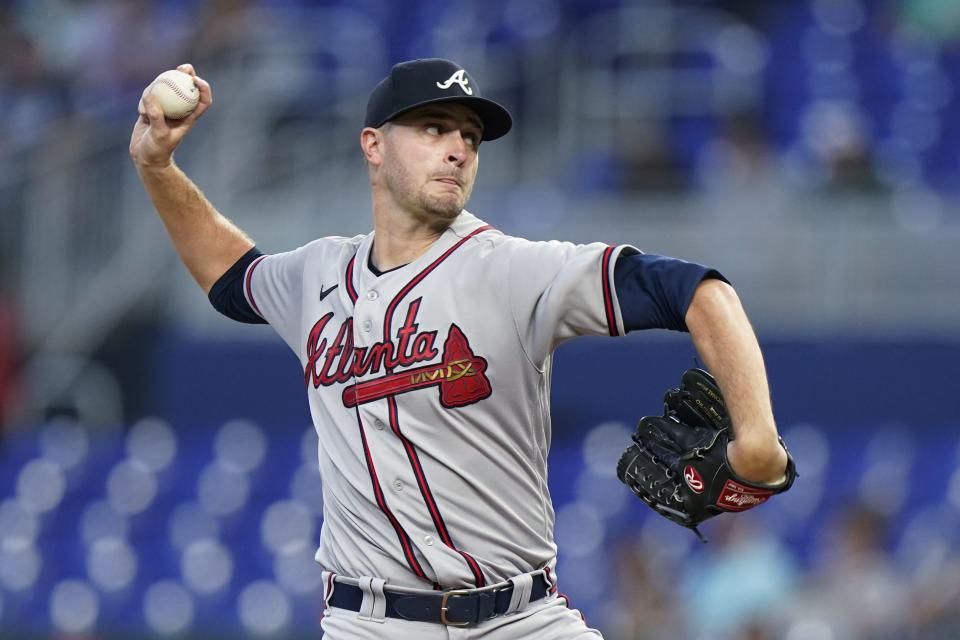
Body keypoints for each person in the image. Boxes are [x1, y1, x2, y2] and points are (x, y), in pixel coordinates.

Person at [130, 58, 790, 639]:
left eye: (469, 136)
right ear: (373, 146)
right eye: (433, 128)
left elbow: (697, 291)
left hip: (522, 619)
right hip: (369, 624)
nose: (457, 148)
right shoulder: (316, 276)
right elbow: (230, 277)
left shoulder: (513, 269)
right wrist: (156, 165)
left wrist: (757, 439)